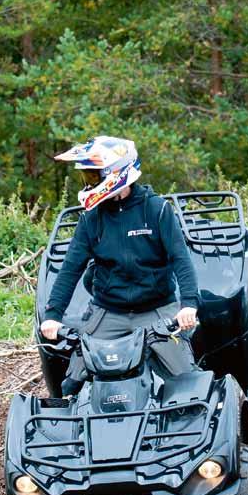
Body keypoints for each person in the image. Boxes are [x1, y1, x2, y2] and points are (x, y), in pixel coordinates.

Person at [40, 135, 199, 391]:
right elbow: (71, 268)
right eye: (87, 177)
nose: (89, 183)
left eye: (93, 176)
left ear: (117, 172)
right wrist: (52, 316)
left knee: (186, 380)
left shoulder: (157, 210)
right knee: (73, 382)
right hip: (109, 312)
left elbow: (180, 258)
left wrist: (189, 304)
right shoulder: (91, 218)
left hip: (156, 310)